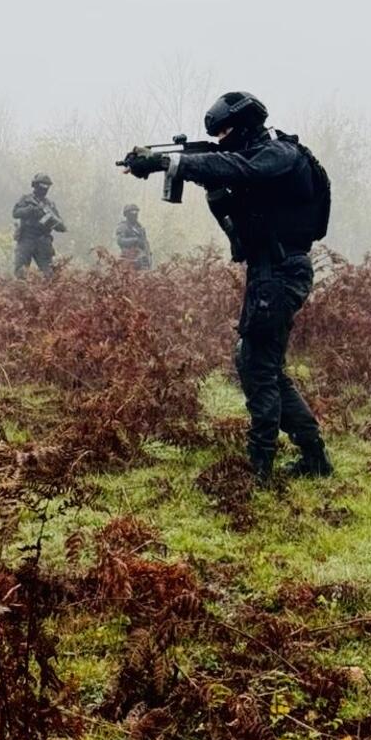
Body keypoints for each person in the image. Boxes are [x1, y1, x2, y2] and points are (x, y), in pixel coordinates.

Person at [123, 92, 332, 485]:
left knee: (257, 365)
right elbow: (240, 234)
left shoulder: (281, 155)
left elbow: (238, 168)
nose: (221, 140)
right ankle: (314, 457)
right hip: (268, 271)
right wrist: (216, 196)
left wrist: (172, 163)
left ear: (246, 125)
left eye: (225, 132)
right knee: (264, 365)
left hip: (280, 272)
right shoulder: (259, 162)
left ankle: (260, 469)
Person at [12, 174, 66, 277]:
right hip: (26, 239)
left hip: (43, 241)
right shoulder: (26, 199)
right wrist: (30, 210)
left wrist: (50, 220)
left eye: (46, 186)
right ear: (35, 185)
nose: (44, 189)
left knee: (49, 275)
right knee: (21, 273)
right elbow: (15, 213)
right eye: (42, 185)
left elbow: (61, 227)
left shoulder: (50, 205)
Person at [115, 204, 152, 270]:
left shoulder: (140, 228)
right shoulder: (123, 226)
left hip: (142, 259)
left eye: (136, 212)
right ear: (127, 214)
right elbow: (120, 241)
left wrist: (148, 257)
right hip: (128, 257)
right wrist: (135, 240)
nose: (135, 214)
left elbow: (145, 244)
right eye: (132, 212)